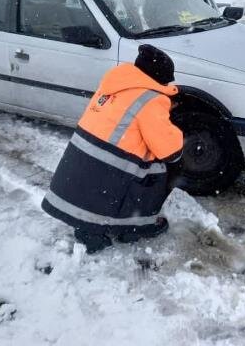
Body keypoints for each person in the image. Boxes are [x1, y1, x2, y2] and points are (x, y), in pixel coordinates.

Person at [41, 45, 184, 254]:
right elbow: (168, 149)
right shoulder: (151, 99)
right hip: (108, 165)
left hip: (79, 158)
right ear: (160, 78)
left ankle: (88, 227)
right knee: (156, 173)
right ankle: (134, 226)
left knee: (94, 192)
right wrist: (179, 141)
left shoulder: (115, 84)